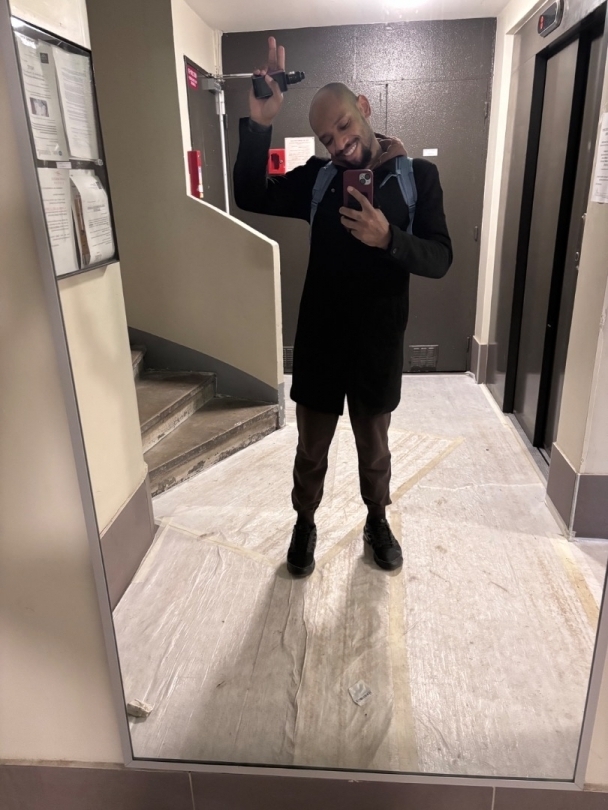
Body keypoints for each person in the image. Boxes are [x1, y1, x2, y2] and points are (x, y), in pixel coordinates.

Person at [234, 37, 453, 578]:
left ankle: (377, 521)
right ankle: (304, 522)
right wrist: (260, 122)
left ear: (365, 107)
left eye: (344, 127)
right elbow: (250, 194)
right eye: (327, 138)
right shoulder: (318, 180)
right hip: (320, 343)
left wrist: (389, 238)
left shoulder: (417, 178)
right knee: (311, 449)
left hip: (378, 344)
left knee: (374, 449)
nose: (339, 144)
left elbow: (440, 257)